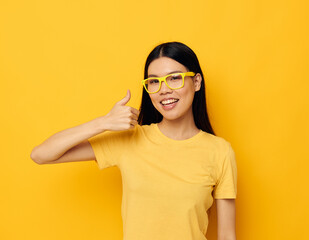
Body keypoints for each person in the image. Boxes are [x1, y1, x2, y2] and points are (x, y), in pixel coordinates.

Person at [30, 41, 238, 240]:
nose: (164, 89)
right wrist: (102, 123)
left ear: (196, 82)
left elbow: (227, 236)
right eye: (154, 81)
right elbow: (41, 155)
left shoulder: (219, 152)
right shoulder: (131, 139)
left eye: (174, 78)